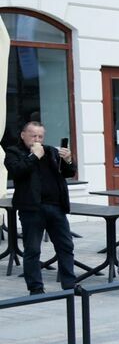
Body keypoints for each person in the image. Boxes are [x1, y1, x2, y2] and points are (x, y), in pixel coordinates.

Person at [4, 120, 76, 295]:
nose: (37, 139)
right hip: (31, 208)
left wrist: (67, 160)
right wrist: (33, 156)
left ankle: (69, 285)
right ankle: (36, 288)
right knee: (33, 249)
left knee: (65, 246)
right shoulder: (14, 152)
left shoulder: (51, 151)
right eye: (33, 135)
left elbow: (67, 173)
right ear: (23, 135)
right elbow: (17, 171)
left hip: (56, 207)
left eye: (40, 136)